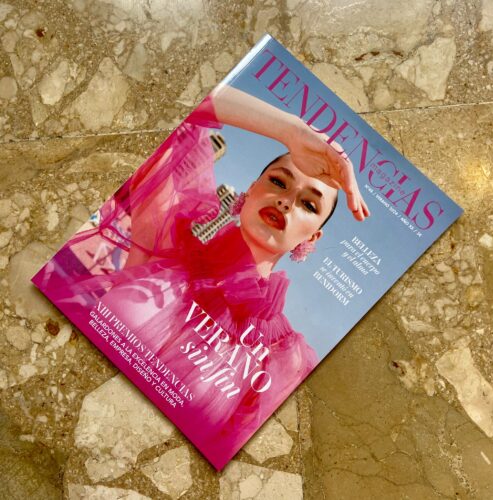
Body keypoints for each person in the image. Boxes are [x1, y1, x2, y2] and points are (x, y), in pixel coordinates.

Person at [32, 84, 369, 468]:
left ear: (312, 237)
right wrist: (291, 131)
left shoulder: (284, 358)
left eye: (309, 204)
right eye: (278, 181)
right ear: (251, 190)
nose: (287, 201)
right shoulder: (170, 240)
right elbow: (182, 106)